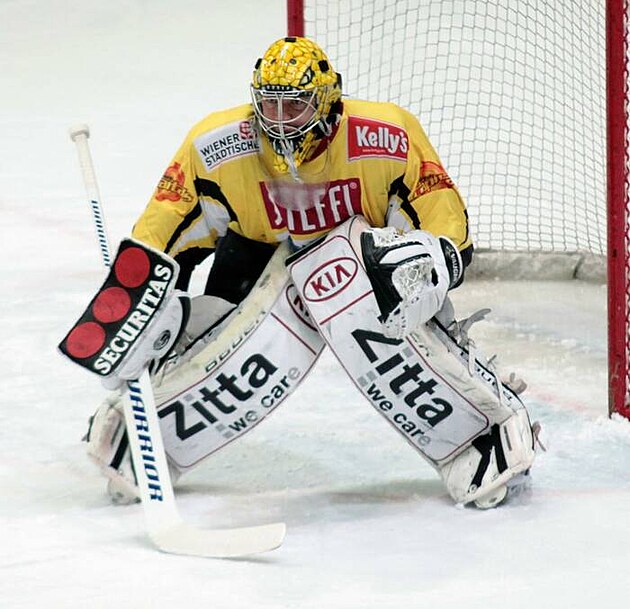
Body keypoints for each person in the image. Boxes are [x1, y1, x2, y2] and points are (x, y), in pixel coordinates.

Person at [63, 37, 537, 509]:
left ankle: (480, 433)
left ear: (327, 102)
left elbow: (442, 218)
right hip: (256, 252)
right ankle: (143, 435)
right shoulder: (215, 146)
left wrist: (432, 262)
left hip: (363, 258)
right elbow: (163, 231)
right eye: (268, 104)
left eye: (294, 105)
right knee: (206, 333)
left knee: (400, 287)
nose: (278, 119)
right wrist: (139, 302)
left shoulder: (387, 136)